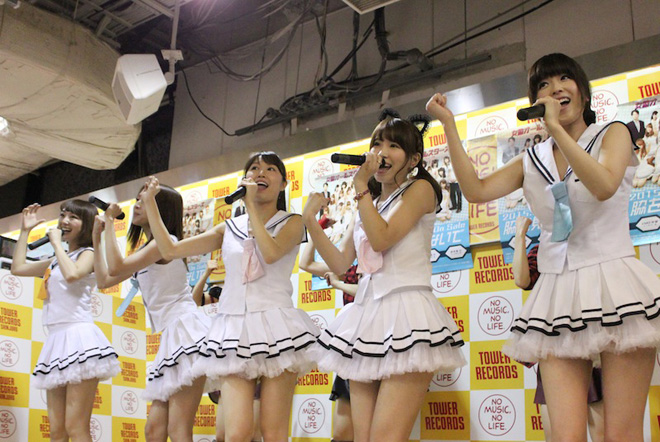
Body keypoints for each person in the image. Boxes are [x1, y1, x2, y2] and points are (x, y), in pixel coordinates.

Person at [426, 53, 660, 441]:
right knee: (565, 435)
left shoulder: (612, 133)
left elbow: (603, 185)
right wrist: (449, 125)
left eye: (565, 79)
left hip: (615, 285)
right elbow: (476, 190)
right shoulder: (531, 160)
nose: (555, 89)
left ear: (583, 92)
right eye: (544, 85)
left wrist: (557, 130)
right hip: (557, 292)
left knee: (621, 432)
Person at [302, 109, 465, 442]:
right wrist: (310, 222)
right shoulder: (370, 203)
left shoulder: (421, 189)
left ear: (414, 159)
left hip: (408, 313)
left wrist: (360, 188)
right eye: (377, 144)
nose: (382, 152)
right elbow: (340, 263)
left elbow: (382, 239)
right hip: (366, 315)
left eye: (393, 145)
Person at [142, 151, 318, 442]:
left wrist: (250, 207)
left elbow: (271, 253)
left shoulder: (292, 222)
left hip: (277, 327)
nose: (261, 173)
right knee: (236, 433)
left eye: (270, 169)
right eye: (254, 168)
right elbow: (171, 250)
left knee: (273, 431)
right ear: (244, 178)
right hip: (233, 329)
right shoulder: (229, 228)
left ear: (283, 184)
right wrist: (150, 204)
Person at [93, 184, 210, 442]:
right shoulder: (150, 248)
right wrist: (97, 238)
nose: (136, 205)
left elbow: (116, 266)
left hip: (186, 332)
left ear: (160, 208)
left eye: (143, 200)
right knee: (154, 430)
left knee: (178, 429)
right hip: (172, 336)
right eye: (137, 199)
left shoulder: (166, 242)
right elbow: (104, 280)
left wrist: (110, 222)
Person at [11, 201, 120, 442]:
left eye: (73, 217)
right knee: (57, 431)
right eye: (63, 215)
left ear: (86, 224)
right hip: (57, 341)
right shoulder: (57, 259)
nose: (65, 221)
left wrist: (56, 245)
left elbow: (73, 274)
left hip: (79, 338)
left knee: (76, 427)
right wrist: (25, 231)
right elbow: (17, 268)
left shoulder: (88, 253)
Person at [512, 216, 604, 442]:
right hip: (554, 342)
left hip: (590, 338)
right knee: (557, 436)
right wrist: (520, 236)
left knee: (603, 434)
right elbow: (522, 280)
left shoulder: (593, 239)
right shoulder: (541, 250)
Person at [299, 237, 359, 442]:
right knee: (341, 435)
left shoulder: (383, 263)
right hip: (351, 347)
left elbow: (369, 292)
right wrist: (316, 230)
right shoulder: (347, 266)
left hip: (382, 343)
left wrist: (339, 284)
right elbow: (305, 264)